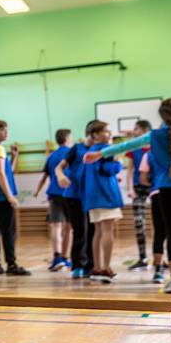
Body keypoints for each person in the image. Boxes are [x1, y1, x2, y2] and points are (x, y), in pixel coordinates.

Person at [85, 98, 171, 295]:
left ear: (162, 116)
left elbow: (127, 146)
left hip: (165, 188)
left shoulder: (154, 135)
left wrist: (99, 154)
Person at [0, 119, 30, 275]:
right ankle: (11, 265)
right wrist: (10, 196)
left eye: (6, 129)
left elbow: (7, 170)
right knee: (8, 231)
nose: (6, 132)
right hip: (0, 196)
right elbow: (0, 173)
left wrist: (14, 157)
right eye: (2, 130)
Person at [55, 120, 97, 279]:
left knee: (93, 231)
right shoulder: (76, 149)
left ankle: (91, 266)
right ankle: (78, 265)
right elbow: (59, 167)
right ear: (91, 134)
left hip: (92, 196)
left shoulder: (98, 149)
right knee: (81, 231)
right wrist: (60, 176)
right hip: (74, 196)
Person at [82, 121, 124, 282]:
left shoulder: (90, 151)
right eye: (106, 131)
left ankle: (97, 267)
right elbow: (108, 170)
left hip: (93, 196)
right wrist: (118, 162)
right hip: (105, 194)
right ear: (95, 134)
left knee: (98, 232)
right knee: (107, 230)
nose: (109, 134)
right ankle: (106, 267)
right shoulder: (104, 150)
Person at [34, 129, 73, 271]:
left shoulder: (51, 156)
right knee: (69, 227)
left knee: (56, 226)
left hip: (54, 194)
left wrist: (37, 190)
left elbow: (44, 177)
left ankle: (57, 258)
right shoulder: (72, 153)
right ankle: (65, 258)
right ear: (68, 138)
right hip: (70, 194)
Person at [125, 120, 152, 271]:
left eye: (136, 128)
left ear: (144, 130)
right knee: (139, 223)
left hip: (154, 187)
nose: (133, 131)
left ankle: (164, 258)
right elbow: (129, 170)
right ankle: (143, 258)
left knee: (163, 224)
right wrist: (130, 189)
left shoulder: (156, 146)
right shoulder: (133, 148)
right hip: (138, 188)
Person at [138, 150, 168, 283]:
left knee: (160, 233)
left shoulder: (149, 154)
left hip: (157, 192)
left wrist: (155, 183)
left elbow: (143, 179)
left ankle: (158, 270)